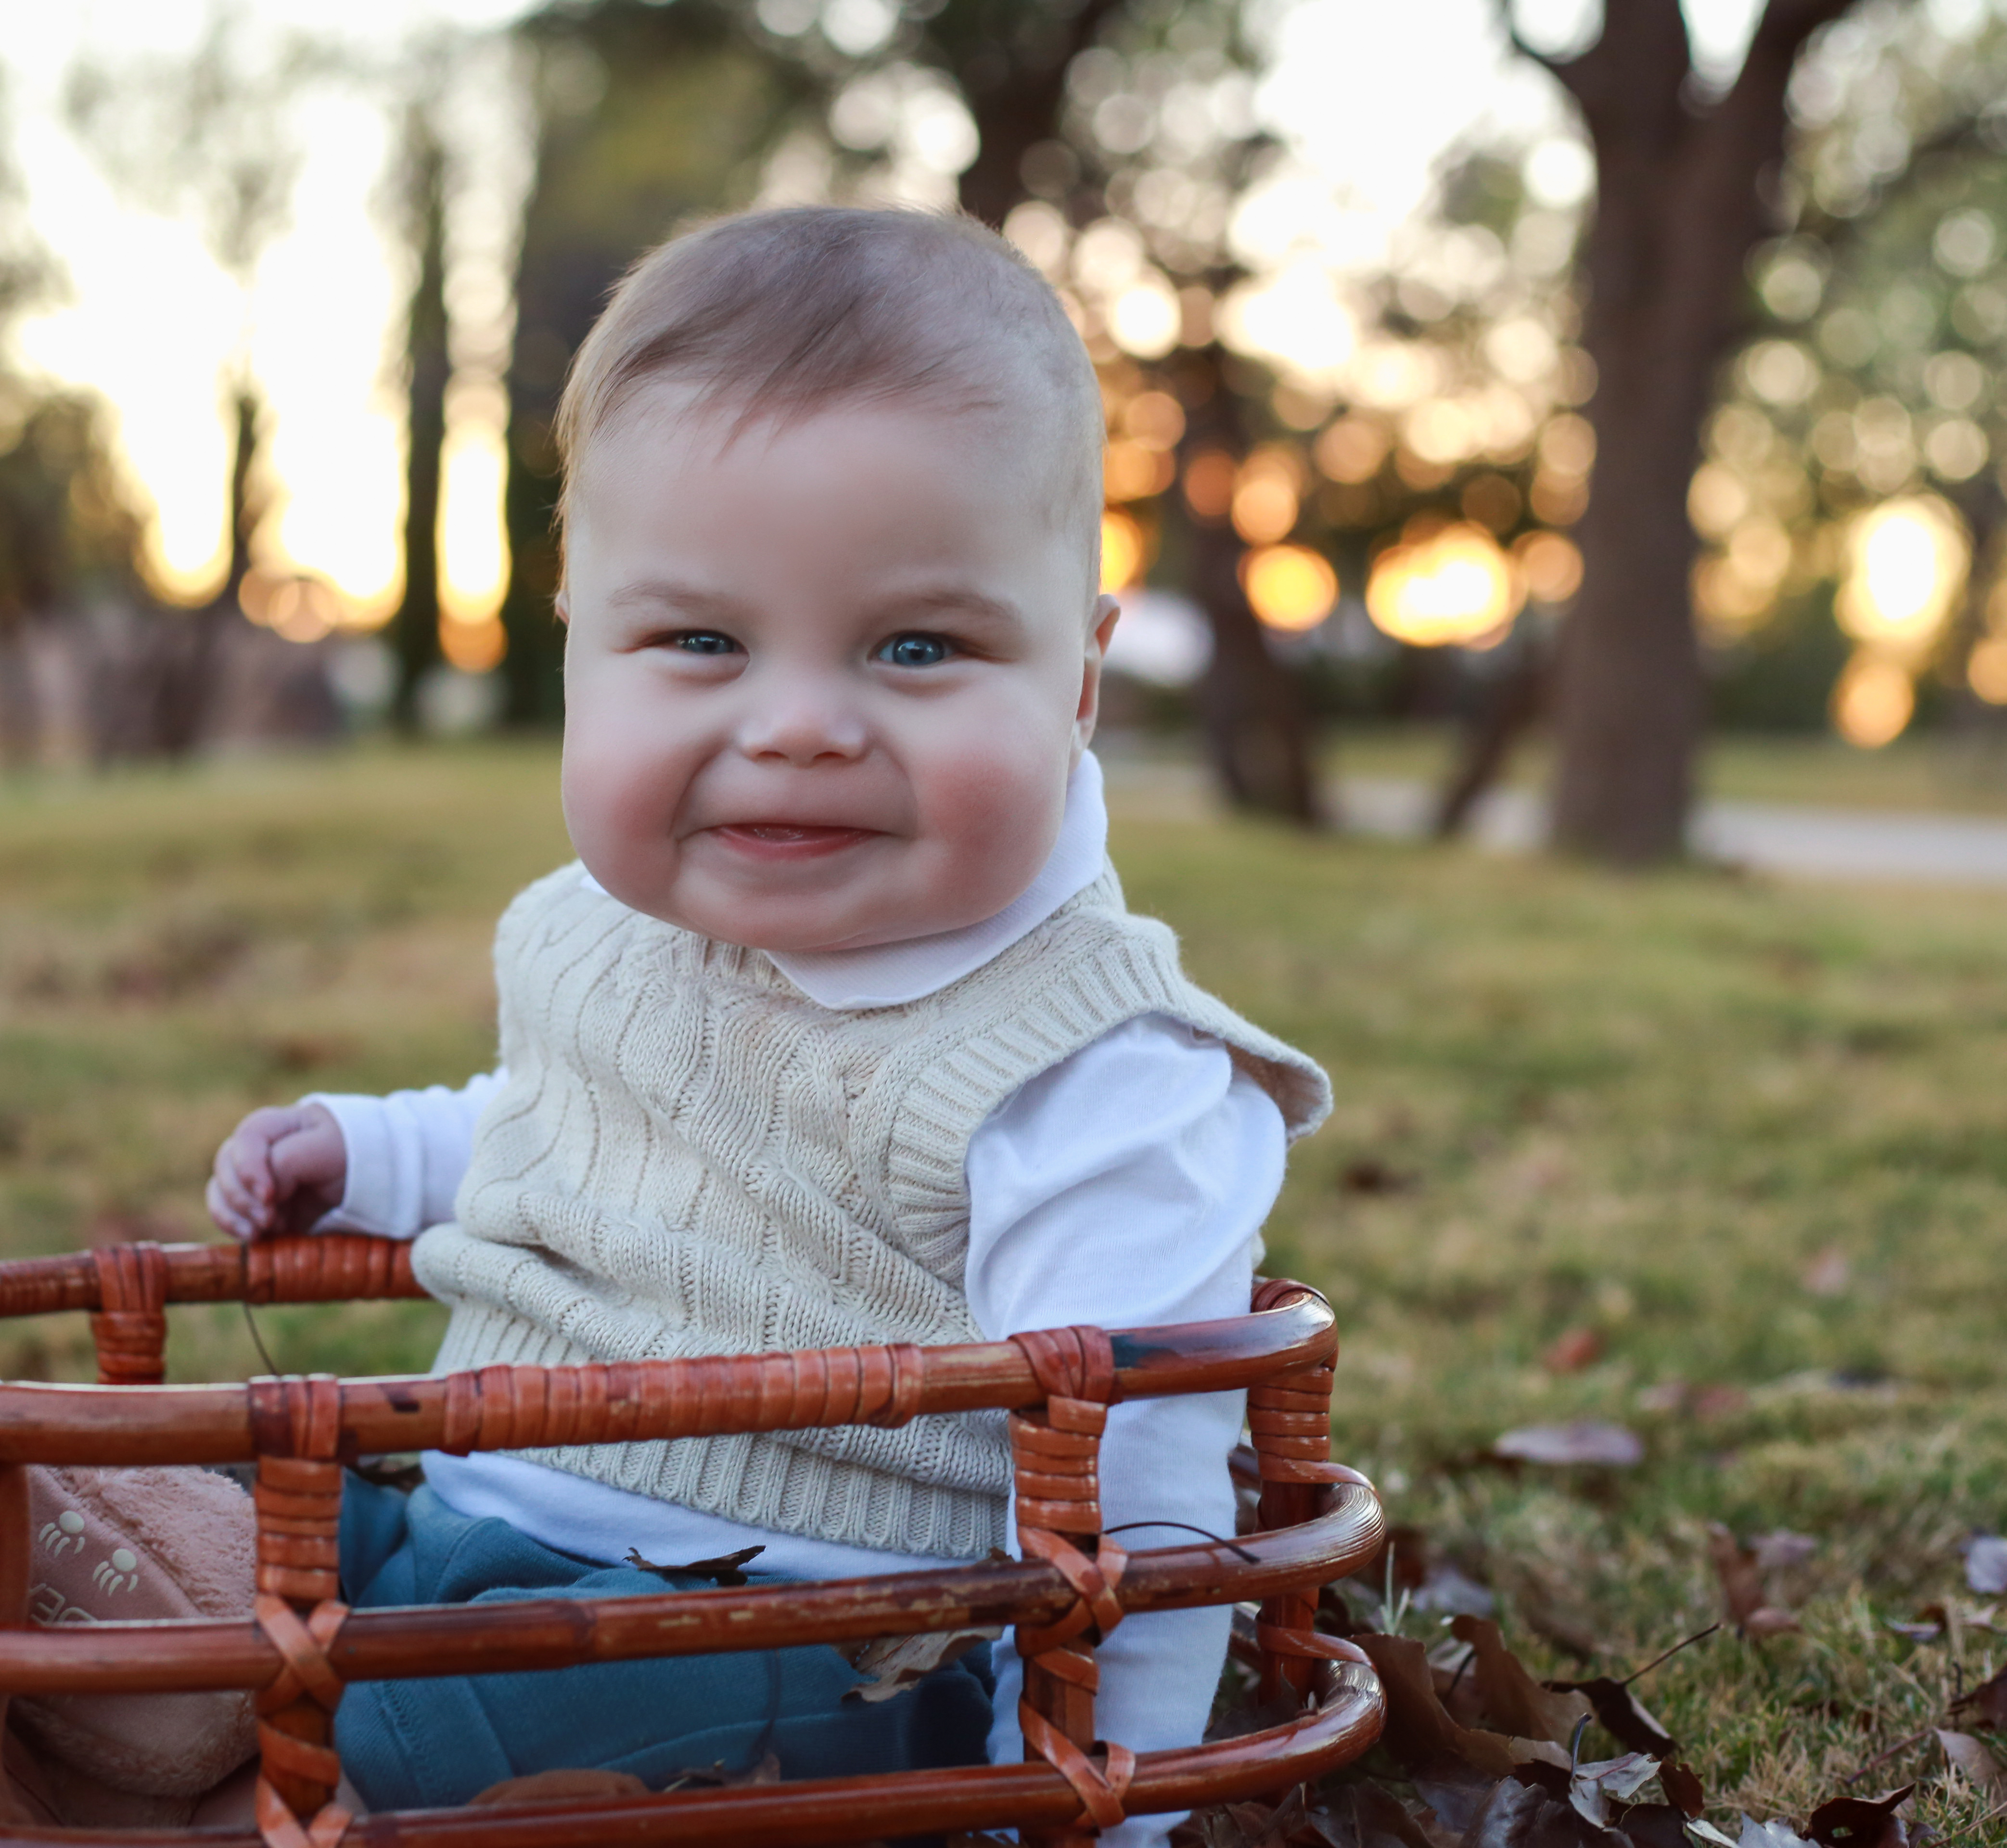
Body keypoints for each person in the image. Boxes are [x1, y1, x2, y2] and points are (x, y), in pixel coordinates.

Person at [205, 204, 1329, 1846]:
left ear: (1079, 681)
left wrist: (1097, 1804)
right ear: (578, 643)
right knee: (147, 1527)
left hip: (790, 1664)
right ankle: (186, 1712)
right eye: (701, 643)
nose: (797, 725)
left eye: (918, 646)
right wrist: (373, 1151)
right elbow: (573, 1136)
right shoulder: (611, 934)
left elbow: (1135, 1515)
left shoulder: (1096, 1076)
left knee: (418, 1719)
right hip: (446, 1549)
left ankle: (240, 1770)